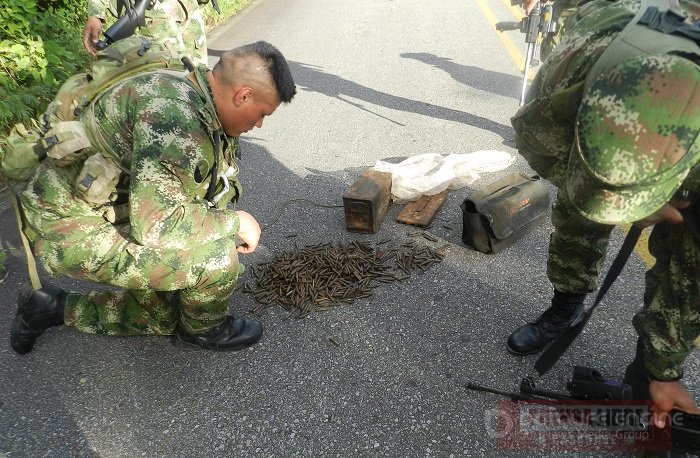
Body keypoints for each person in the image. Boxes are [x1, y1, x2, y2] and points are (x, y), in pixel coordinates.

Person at [10, 41, 297, 354]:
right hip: (69, 230)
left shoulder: (190, 82)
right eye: (261, 114)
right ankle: (203, 331)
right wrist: (235, 222)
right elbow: (156, 228)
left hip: (108, 205)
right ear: (243, 95)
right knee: (216, 259)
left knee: (159, 316)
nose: (259, 124)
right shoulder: (175, 120)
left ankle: (50, 307)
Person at [506, 0, 700, 424]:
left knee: (683, 258)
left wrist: (662, 372)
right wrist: (595, 186)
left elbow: (688, 279)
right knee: (579, 212)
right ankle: (566, 306)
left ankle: (647, 381)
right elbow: (542, 140)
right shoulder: (593, 44)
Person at [83, 0, 208, 65]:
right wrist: (96, 12)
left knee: (201, 74)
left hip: (188, 9)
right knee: (174, 72)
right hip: (153, 16)